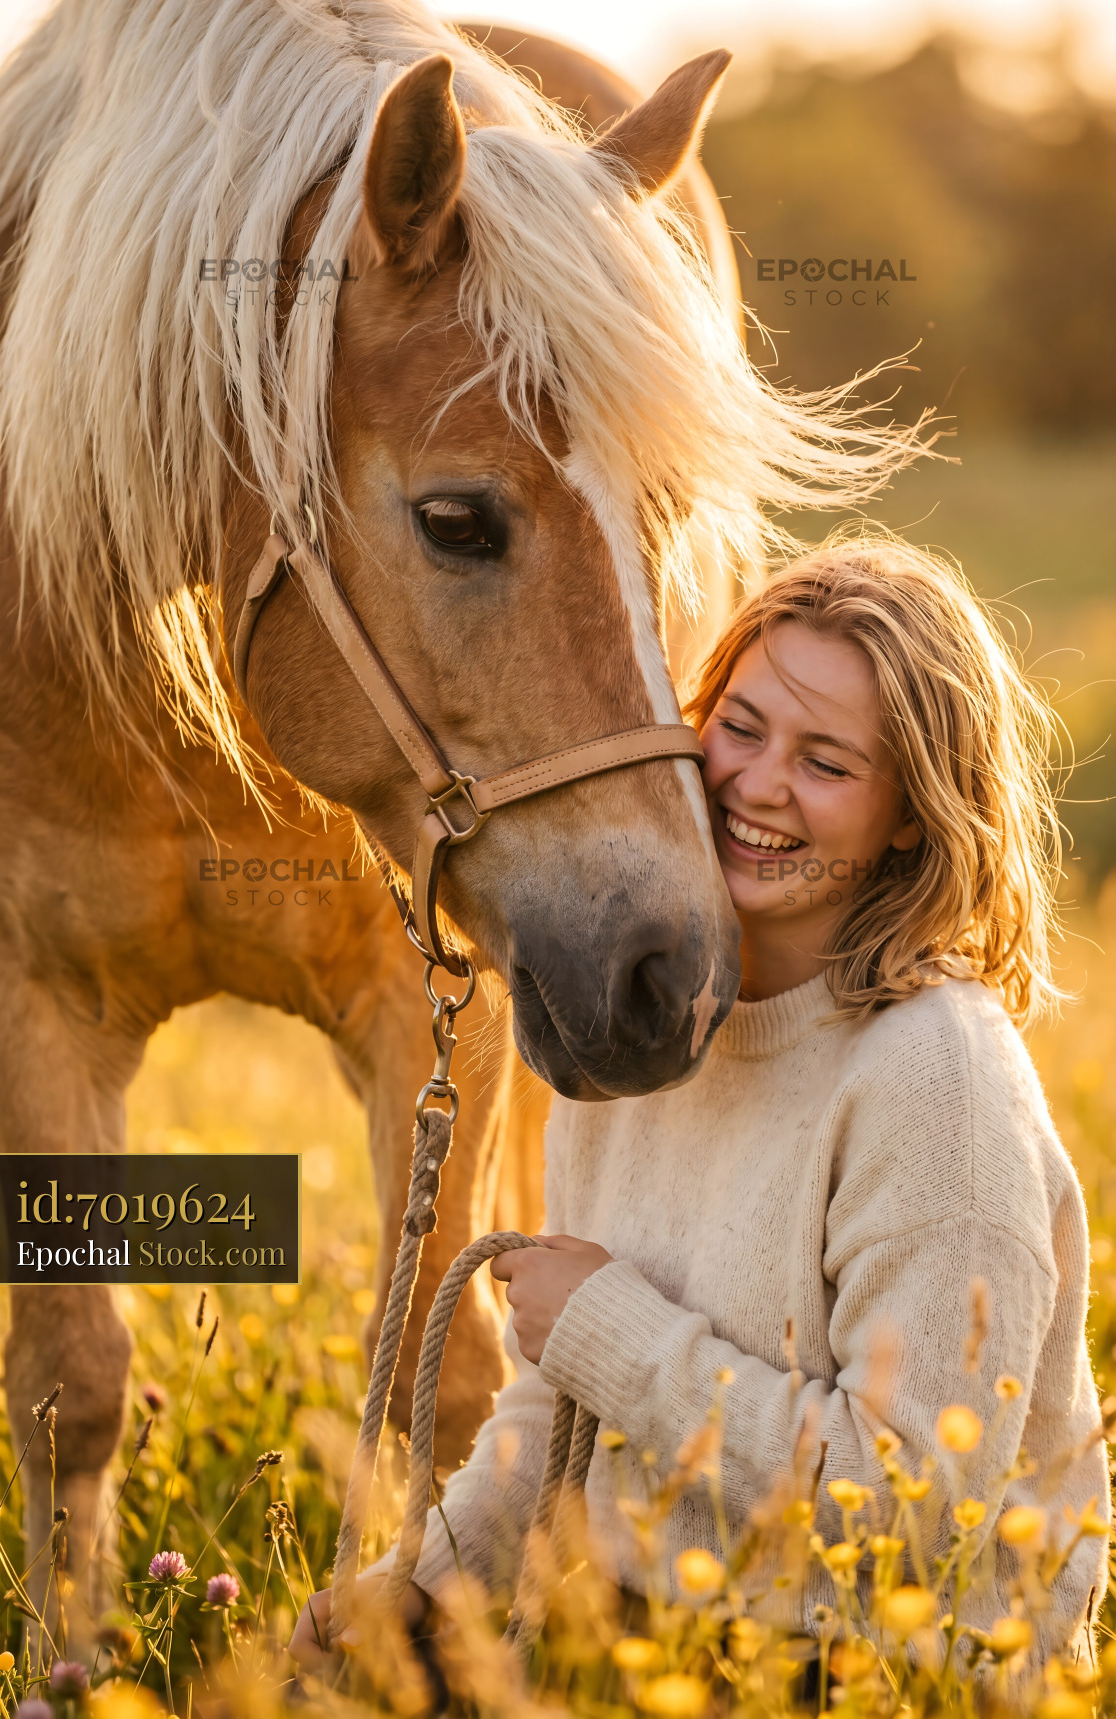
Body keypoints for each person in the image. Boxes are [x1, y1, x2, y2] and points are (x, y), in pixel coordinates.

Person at [291, 535, 1107, 1665]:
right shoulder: (648, 1017)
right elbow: (565, 1396)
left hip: (880, 1663)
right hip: (659, 1631)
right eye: (740, 726)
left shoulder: (935, 1079)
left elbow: (912, 1513)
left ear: (910, 813)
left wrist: (608, 1325)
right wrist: (422, 1581)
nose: (760, 785)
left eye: (827, 762)